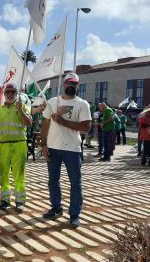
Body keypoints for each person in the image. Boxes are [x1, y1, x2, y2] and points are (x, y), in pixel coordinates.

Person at [40, 72, 91, 228]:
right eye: (68, 83)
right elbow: (45, 124)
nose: (71, 85)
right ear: (64, 84)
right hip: (53, 148)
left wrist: (62, 121)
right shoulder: (53, 102)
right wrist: (43, 144)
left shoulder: (83, 104)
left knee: (75, 183)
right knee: (53, 181)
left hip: (73, 149)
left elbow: (86, 127)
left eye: (74, 83)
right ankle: (56, 208)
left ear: (78, 85)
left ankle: (74, 215)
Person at [0, 83, 31, 212]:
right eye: (8, 92)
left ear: (17, 93)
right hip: (3, 146)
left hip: (19, 144)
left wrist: (21, 110)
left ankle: (20, 201)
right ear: (4, 94)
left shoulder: (21, 106)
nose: (10, 94)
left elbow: (28, 123)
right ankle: (5, 199)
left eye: (13, 92)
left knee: (19, 174)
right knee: (3, 174)